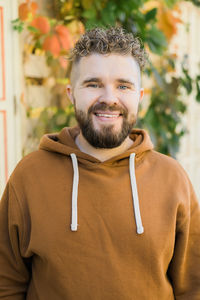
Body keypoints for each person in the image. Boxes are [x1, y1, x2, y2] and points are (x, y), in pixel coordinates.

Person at [0, 26, 200, 300]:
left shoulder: (172, 179)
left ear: (139, 97)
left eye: (123, 85)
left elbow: (192, 288)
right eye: (93, 84)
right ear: (71, 93)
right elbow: (6, 285)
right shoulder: (29, 177)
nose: (108, 98)